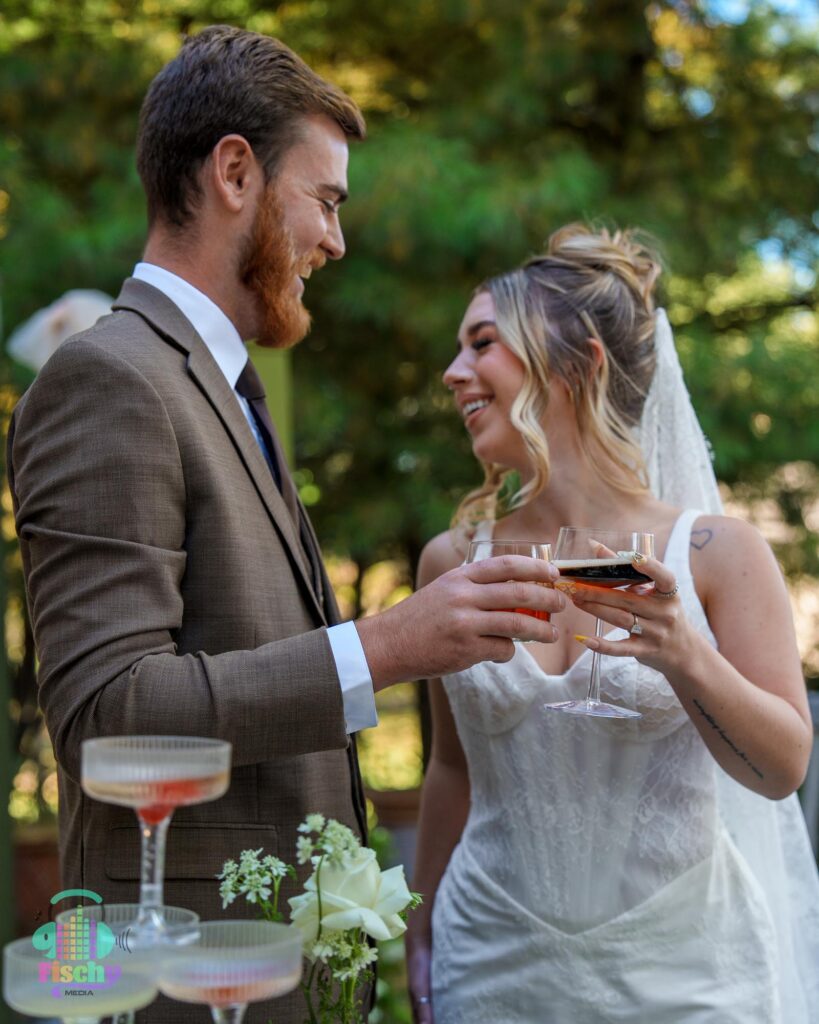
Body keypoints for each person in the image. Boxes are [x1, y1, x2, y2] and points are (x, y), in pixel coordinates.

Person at [6, 26, 563, 1024]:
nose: (337, 241)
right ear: (233, 173)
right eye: (327, 199)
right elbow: (106, 713)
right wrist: (389, 643)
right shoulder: (110, 377)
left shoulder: (226, 389)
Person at [406, 223, 819, 1023]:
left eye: (481, 343)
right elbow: (452, 771)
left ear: (578, 365)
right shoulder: (450, 561)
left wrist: (684, 654)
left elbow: (782, 772)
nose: (453, 372)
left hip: (684, 971)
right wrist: (419, 932)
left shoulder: (714, 556)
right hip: (492, 958)